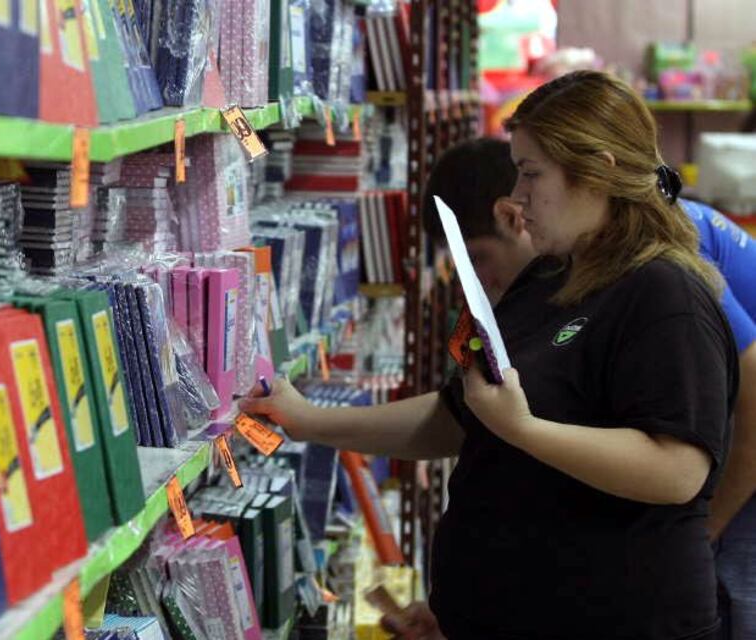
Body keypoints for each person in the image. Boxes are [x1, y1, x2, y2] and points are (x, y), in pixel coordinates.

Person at [240, 70, 739, 639]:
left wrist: (524, 429)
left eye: (531, 173)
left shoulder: (663, 294)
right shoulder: (550, 277)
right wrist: (309, 421)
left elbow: (676, 471)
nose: (517, 197)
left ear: (599, 171)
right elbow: (459, 417)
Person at [426, 137, 756, 640]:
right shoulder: (595, 252)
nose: (484, 282)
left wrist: (706, 530)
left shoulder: (661, 258)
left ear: (512, 218)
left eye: (479, 260)